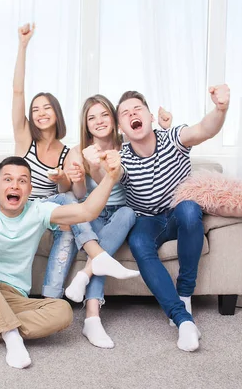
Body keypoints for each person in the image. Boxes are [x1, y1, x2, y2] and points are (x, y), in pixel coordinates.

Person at [0, 128, 131, 369]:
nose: (14, 185)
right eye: (8, 179)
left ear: (29, 189)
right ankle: (10, 334)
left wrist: (111, 177)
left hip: (13, 298)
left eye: (22, 181)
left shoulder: (38, 211)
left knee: (63, 312)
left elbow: (86, 211)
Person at [11, 23, 137, 301]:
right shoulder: (24, 140)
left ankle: (51, 299)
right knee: (70, 203)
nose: (41, 113)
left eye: (47, 108)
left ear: (57, 114)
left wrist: (63, 180)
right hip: (30, 208)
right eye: (36, 109)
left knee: (68, 226)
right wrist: (22, 47)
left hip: (54, 212)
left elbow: (69, 190)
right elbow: (18, 94)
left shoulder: (70, 151)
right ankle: (98, 255)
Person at [103, 85, 230, 352]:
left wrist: (220, 109)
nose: (132, 114)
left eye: (138, 109)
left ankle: (185, 293)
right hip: (147, 221)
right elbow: (109, 176)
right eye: (125, 113)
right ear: (121, 127)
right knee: (138, 242)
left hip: (178, 214)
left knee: (188, 207)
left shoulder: (173, 137)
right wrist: (101, 165)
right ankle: (182, 319)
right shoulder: (123, 157)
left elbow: (203, 129)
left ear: (150, 117)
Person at [62, 95, 172, 348]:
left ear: (114, 119)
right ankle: (92, 317)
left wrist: (165, 127)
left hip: (121, 213)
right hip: (92, 212)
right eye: (92, 118)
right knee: (90, 233)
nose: (99, 121)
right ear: (85, 124)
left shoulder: (128, 147)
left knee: (128, 214)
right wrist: (79, 174)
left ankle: (85, 281)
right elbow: (79, 195)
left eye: (103, 115)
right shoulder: (78, 151)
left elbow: (153, 147)